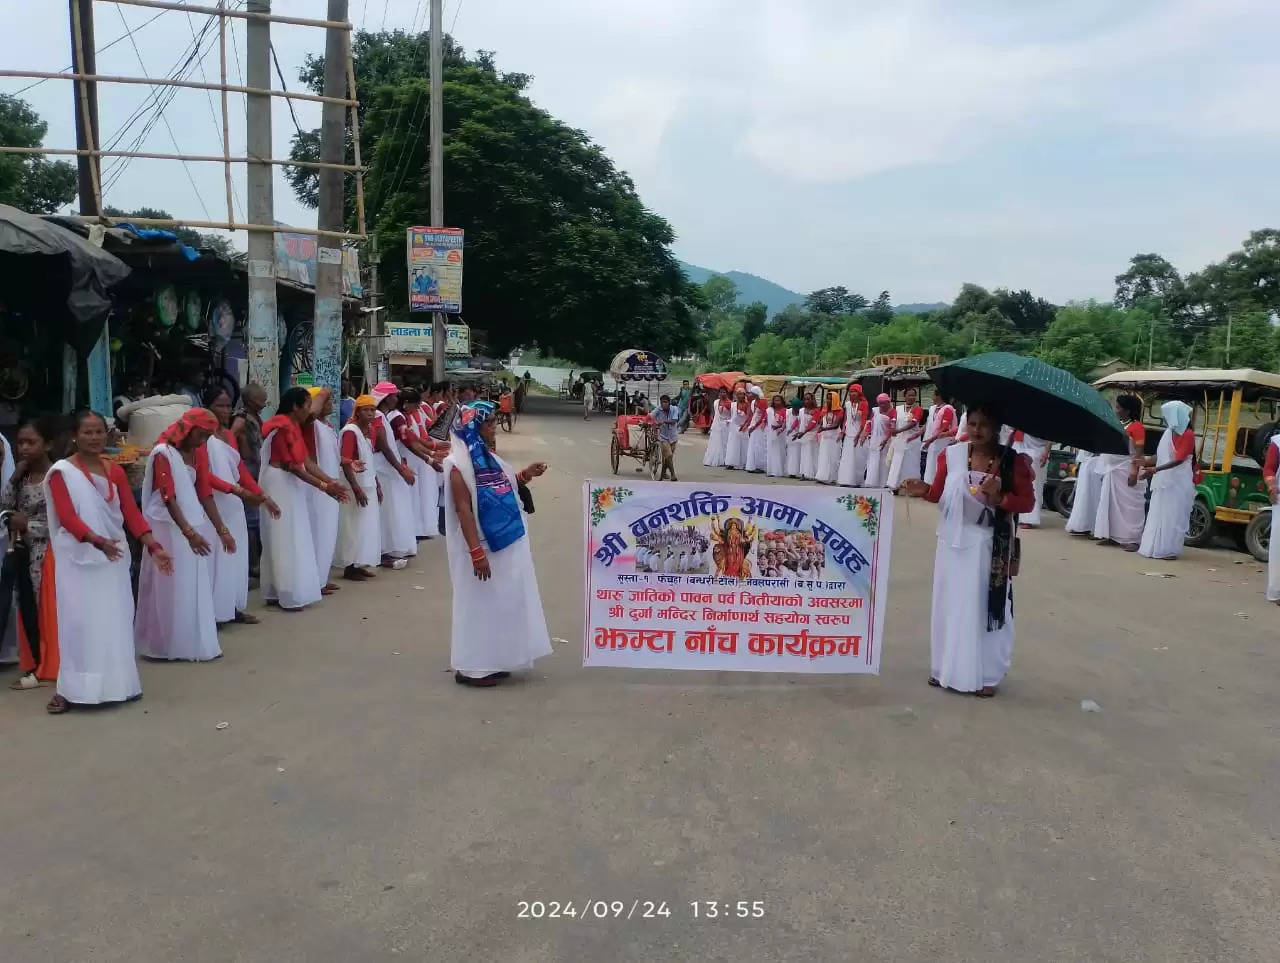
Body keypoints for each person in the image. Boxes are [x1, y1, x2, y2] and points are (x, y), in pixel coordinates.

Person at [44, 411, 172, 713]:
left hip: (112, 559)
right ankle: (74, 690)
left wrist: (153, 546)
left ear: (107, 434)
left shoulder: (113, 471)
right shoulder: (63, 472)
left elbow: (130, 512)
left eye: (99, 432)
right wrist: (97, 542)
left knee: (114, 620)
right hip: (79, 561)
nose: (94, 438)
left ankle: (119, 685)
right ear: (75, 435)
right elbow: (68, 518)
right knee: (79, 624)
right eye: (87, 432)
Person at [904, 402, 1034, 697]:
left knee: (983, 607)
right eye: (973, 423)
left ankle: (987, 673)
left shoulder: (1013, 461)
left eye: (985, 425)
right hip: (951, 544)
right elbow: (938, 494)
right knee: (950, 603)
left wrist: (999, 496)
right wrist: (922, 489)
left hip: (986, 546)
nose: (977, 430)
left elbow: (1026, 503)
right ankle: (943, 668)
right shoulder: (952, 455)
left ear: (997, 429)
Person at [443, 401, 552, 687]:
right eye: (489, 422)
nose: (494, 426)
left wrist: (526, 474)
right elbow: (463, 509)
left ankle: (494, 659)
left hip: (505, 542)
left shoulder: (489, 459)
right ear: (473, 428)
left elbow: (503, 487)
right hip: (481, 545)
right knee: (478, 604)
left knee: (501, 602)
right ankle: (473, 667)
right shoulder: (458, 465)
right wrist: (476, 552)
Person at [259, 387, 347, 610]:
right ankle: (285, 592)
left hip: (288, 484)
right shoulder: (281, 428)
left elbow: (306, 462)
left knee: (292, 534)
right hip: (279, 483)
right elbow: (292, 467)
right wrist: (324, 487)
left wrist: (330, 482)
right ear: (296, 407)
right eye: (307, 406)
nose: (309, 411)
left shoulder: (293, 427)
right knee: (284, 536)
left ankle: (282, 589)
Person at [205, 387, 277, 624]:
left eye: (227, 405)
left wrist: (261, 495)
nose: (225, 410)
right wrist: (238, 490)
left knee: (236, 558)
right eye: (219, 405)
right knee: (216, 559)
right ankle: (214, 613)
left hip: (233, 505)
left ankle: (233, 607)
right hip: (212, 505)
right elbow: (204, 476)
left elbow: (239, 470)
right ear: (208, 407)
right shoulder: (201, 438)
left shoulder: (228, 435)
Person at [4, 417, 61, 691]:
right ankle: (34, 662)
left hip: (47, 554)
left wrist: (26, 524)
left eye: (31, 442)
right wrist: (14, 477)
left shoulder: (55, 476)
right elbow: (5, 507)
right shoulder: (22, 476)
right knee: (25, 607)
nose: (24, 448)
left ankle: (47, 665)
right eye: (21, 442)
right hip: (22, 551)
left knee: (43, 609)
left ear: (47, 444)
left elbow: (59, 520)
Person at [1138, 401, 1196, 560]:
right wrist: (1146, 461)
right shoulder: (1168, 432)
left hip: (1178, 481)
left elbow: (1179, 459)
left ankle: (1168, 550)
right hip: (1164, 479)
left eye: (1166, 415)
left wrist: (1155, 469)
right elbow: (1160, 455)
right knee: (1159, 511)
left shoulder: (1188, 434)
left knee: (1172, 514)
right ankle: (1153, 546)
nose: (1164, 419)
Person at [370, 382, 419, 568]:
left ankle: (389, 548)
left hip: (387, 467)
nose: (396, 399)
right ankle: (384, 550)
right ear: (386, 398)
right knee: (387, 510)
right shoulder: (377, 416)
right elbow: (384, 447)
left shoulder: (382, 416)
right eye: (394, 396)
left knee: (392, 508)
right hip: (382, 468)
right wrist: (401, 469)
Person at [336, 395, 382, 580]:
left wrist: (377, 485)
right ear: (357, 412)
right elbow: (346, 462)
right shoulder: (350, 432)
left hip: (368, 484)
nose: (370, 413)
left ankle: (359, 562)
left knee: (364, 527)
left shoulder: (366, 432)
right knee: (352, 527)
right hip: (355, 486)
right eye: (366, 410)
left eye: (372, 410)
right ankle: (349, 566)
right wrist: (356, 489)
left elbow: (369, 462)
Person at [304, 388, 345, 594]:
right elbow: (310, 459)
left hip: (331, 482)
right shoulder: (311, 426)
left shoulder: (327, 426)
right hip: (320, 486)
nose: (330, 404)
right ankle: (315, 581)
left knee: (328, 533)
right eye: (327, 401)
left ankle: (322, 576)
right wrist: (321, 394)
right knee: (318, 533)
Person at [1093, 394, 1147, 551]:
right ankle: (1114, 536)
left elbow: (1138, 452)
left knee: (1130, 508)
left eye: (1118, 407)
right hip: (1114, 471)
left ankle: (1133, 539)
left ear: (1127, 411)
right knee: (1111, 505)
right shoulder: (1119, 424)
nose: (1116, 410)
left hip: (1127, 469)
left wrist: (1134, 472)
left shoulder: (1137, 427)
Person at [396, 388, 443, 540]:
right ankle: (413, 532)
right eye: (416, 405)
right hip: (407, 462)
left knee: (417, 498)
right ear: (406, 403)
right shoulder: (398, 418)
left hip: (415, 460)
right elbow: (411, 442)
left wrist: (432, 451)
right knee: (410, 499)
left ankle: (418, 529)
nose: (417, 409)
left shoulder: (406, 416)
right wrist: (430, 455)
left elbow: (415, 439)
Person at [232, 382, 267, 577]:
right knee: (251, 521)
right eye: (260, 400)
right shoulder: (241, 418)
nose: (263, 403)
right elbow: (231, 437)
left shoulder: (255, 417)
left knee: (256, 518)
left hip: (256, 469)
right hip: (247, 470)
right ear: (250, 401)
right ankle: (253, 565)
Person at [886, 387, 926, 491]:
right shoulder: (898, 409)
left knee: (911, 464)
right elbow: (893, 420)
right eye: (909, 395)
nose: (911, 397)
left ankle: (911, 487)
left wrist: (898, 430)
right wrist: (893, 429)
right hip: (899, 441)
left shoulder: (918, 409)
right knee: (897, 463)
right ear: (905, 396)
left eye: (913, 395)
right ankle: (894, 486)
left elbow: (913, 423)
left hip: (912, 441)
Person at [920, 391, 957, 488]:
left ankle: (938, 487)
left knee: (939, 465)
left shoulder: (948, 409)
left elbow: (944, 428)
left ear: (939, 396)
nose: (932, 397)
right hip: (934, 442)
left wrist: (930, 440)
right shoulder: (934, 408)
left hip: (942, 442)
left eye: (934, 395)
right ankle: (930, 486)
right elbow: (929, 424)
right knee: (931, 463)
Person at [837, 384, 869, 487]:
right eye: (851, 392)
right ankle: (845, 480)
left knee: (857, 459)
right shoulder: (848, 404)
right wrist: (842, 432)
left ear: (859, 393)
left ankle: (856, 481)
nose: (852, 394)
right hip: (848, 435)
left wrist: (858, 436)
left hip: (858, 435)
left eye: (855, 391)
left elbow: (863, 421)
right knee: (847, 458)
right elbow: (846, 420)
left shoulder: (864, 404)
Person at [1064, 450, 1102, 535]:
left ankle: (1094, 526)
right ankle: (1082, 525)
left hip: (1096, 463)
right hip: (1085, 463)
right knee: (1082, 497)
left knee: (1094, 496)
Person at [862, 393, 895, 487]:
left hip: (886, 440)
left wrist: (885, 439)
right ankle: (871, 482)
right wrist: (865, 435)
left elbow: (891, 428)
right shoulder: (875, 411)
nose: (882, 405)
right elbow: (869, 424)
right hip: (874, 439)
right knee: (873, 460)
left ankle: (883, 483)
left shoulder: (893, 412)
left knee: (884, 461)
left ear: (888, 402)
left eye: (884, 403)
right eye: (880, 403)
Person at [814, 391, 845, 484]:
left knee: (833, 457)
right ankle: (822, 476)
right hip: (825, 436)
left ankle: (832, 477)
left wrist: (824, 428)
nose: (828, 400)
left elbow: (836, 425)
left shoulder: (840, 411)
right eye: (827, 398)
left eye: (831, 399)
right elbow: (819, 421)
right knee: (823, 456)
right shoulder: (824, 409)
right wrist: (820, 427)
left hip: (834, 436)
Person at [651, 394, 681, 481]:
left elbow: (674, 420)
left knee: (668, 457)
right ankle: (673, 474)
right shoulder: (658, 409)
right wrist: (651, 423)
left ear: (669, 402)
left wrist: (663, 421)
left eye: (665, 402)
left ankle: (663, 472)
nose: (663, 404)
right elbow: (651, 416)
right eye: (662, 402)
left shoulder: (674, 409)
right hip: (663, 437)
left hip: (673, 436)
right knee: (669, 455)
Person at [703, 388, 731, 468]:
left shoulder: (730, 403)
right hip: (717, 425)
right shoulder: (716, 402)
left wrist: (727, 421)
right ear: (719, 393)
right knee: (715, 442)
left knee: (725, 442)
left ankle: (726, 459)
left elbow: (732, 415)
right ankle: (714, 458)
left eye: (724, 392)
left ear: (727, 393)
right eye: (721, 392)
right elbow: (714, 413)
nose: (723, 394)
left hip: (726, 425)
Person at [724, 389, 750, 470]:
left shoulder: (747, 405)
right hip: (734, 426)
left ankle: (743, 462)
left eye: (742, 394)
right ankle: (731, 462)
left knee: (743, 445)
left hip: (743, 427)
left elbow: (749, 416)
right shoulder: (733, 405)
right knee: (733, 445)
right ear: (736, 395)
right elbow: (731, 416)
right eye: (739, 394)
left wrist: (745, 424)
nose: (741, 396)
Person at [797, 392, 820, 480]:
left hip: (811, 435)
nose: (806, 401)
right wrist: (796, 431)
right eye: (805, 399)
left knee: (811, 454)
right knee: (804, 454)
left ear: (812, 400)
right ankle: (804, 473)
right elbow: (798, 421)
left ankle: (811, 473)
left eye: (808, 399)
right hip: (803, 435)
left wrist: (804, 432)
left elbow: (813, 423)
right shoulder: (801, 410)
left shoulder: (816, 411)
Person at [766, 394, 789, 478]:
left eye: (778, 400)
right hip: (771, 433)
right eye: (775, 400)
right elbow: (765, 420)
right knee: (772, 451)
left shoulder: (785, 411)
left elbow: (785, 422)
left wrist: (779, 428)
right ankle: (772, 470)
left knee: (780, 451)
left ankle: (780, 470)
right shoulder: (769, 410)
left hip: (781, 434)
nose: (777, 402)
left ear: (782, 401)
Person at [745, 397, 768, 473]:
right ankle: (753, 465)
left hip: (759, 427)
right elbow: (752, 415)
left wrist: (755, 426)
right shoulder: (753, 402)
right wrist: (749, 425)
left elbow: (763, 417)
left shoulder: (763, 401)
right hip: (754, 426)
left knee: (759, 446)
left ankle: (760, 466)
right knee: (753, 445)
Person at [786, 399, 806, 478]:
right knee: (791, 454)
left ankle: (795, 472)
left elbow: (798, 424)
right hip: (790, 436)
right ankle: (790, 471)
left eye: (794, 406)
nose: (793, 407)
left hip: (798, 436)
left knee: (796, 454)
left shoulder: (801, 414)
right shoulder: (789, 412)